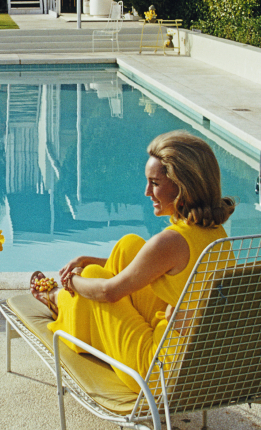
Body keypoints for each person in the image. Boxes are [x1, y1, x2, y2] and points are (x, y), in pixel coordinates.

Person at [31, 131, 234, 377]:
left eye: (155, 183)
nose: (147, 192)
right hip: (195, 358)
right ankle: (73, 306)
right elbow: (151, 265)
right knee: (129, 246)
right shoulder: (215, 233)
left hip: (158, 369)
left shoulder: (171, 242)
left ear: (183, 187)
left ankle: (58, 298)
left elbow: (109, 292)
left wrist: (71, 280)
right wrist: (89, 259)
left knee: (95, 278)